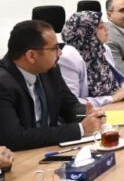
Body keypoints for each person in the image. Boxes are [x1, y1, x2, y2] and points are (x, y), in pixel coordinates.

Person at [0, 20, 105, 150]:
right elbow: (13, 138)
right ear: (31, 56)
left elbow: (69, 105)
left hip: (51, 149)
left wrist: (87, 114)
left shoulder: (50, 70)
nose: (60, 53)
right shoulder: (3, 83)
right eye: (55, 48)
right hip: (22, 156)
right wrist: (80, 129)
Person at [59, 11, 124, 107]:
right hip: (90, 112)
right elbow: (73, 102)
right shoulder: (69, 57)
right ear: (86, 32)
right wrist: (111, 99)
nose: (106, 29)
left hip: (113, 106)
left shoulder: (101, 48)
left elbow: (115, 80)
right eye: (101, 27)